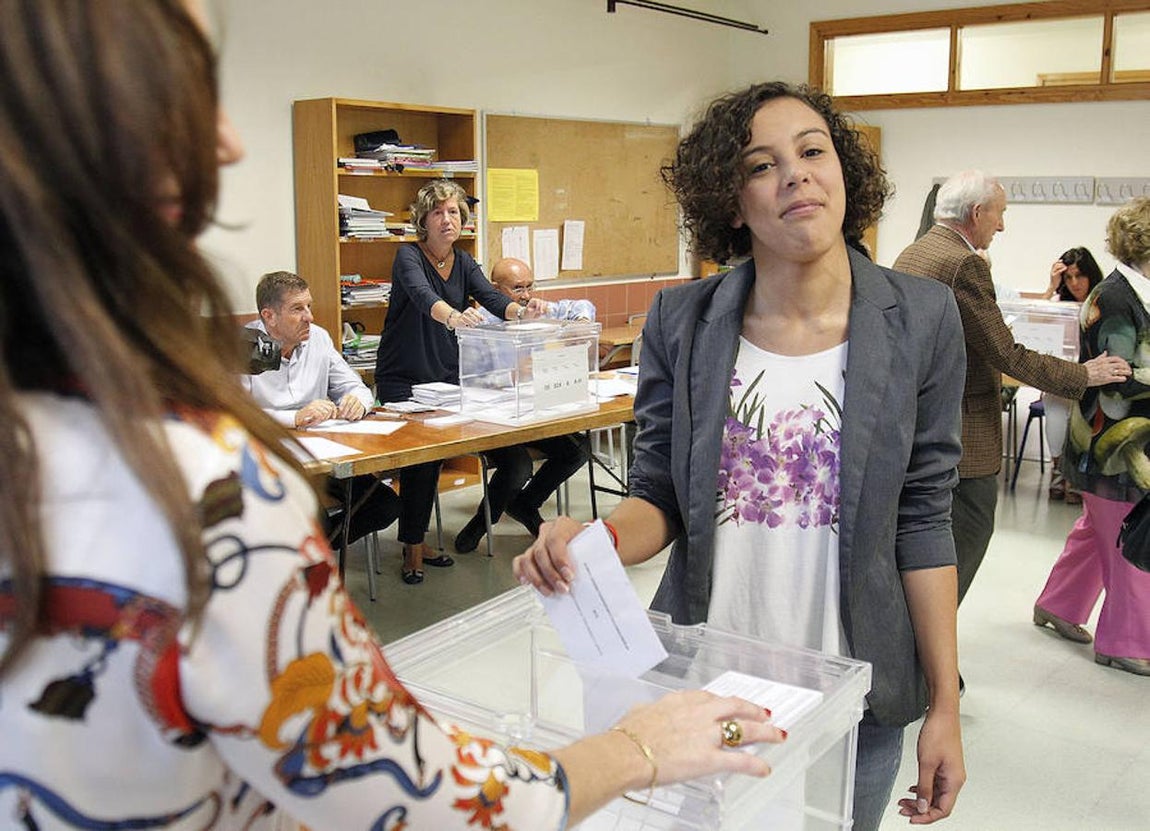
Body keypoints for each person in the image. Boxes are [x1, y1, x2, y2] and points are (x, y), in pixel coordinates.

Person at [0, 3, 787, 829]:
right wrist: (640, 746)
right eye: (187, 89)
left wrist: (518, 315)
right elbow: (418, 796)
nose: (228, 141)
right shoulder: (198, 488)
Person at [516, 81, 968, 830]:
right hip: (706, 687)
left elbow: (924, 519)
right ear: (731, 203)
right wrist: (589, 539)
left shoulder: (921, 319)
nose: (795, 173)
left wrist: (945, 703)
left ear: (845, 172)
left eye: (813, 151)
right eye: (762, 165)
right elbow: (656, 492)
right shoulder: (683, 320)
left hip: (856, 697)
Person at [893, 171, 1130, 607]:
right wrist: (1085, 375)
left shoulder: (916, 251)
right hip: (961, 427)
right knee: (969, 530)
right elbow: (1007, 354)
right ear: (977, 213)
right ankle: (927, 651)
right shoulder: (963, 263)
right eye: (1000, 214)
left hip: (919, 417)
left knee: (924, 539)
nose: (1002, 225)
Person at [373, 179, 537, 583]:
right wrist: (453, 316)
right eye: (438, 213)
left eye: (454, 213)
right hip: (404, 379)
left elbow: (491, 297)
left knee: (507, 456)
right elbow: (421, 295)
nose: (447, 220)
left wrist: (520, 311)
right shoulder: (408, 256)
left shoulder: (464, 261)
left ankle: (420, 538)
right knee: (422, 461)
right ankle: (413, 546)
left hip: (447, 377)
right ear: (423, 221)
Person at [1032, 197, 1150, 677]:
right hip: (1113, 447)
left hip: (1123, 442)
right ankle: (1124, 641)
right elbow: (1118, 376)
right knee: (1128, 538)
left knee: (1095, 530)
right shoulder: (1116, 298)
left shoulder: (1135, 293)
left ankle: (1059, 604)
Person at [242, 270, 400, 544]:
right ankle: (312, 554)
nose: (309, 317)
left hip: (322, 455)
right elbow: (238, 414)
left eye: (309, 306)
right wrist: (296, 417)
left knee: (385, 505)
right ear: (269, 316)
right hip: (272, 456)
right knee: (311, 518)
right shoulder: (242, 347)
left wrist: (357, 402)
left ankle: (321, 549)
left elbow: (356, 387)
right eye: (297, 309)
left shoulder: (318, 338)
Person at [453, 258, 594, 552]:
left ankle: (526, 503)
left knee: (578, 450)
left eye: (530, 286)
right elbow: (473, 378)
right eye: (517, 288)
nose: (526, 295)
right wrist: (514, 373)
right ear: (494, 289)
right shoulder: (479, 323)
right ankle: (482, 522)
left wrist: (580, 324)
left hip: (532, 412)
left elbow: (582, 305)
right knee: (518, 465)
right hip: (493, 418)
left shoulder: (533, 311)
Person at [1036, 247, 1105, 503]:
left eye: (1080, 276)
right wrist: (1051, 287)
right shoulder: (1059, 304)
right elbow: (1032, 322)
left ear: (1091, 275)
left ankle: (1076, 474)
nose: (1074, 283)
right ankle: (1058, 469)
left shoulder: (1103, 303)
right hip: (1062, 378)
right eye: (1069, 278)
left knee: (1084, 414)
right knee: (1054, 406)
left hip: (1094, 380)